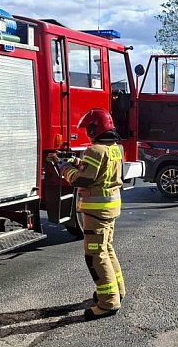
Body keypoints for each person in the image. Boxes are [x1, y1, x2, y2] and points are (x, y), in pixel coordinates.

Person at [48, 108, 126, 320]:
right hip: (110, 207)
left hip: (96, 210)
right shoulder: (115, 149)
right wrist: (74, 160)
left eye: (88, 130)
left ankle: (108, 302)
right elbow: (97, 170)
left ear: (94, 128)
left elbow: (82, 179)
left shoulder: (95, 150)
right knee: (107, 248)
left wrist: (63, 167)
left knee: (95, 255)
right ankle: (117, 290)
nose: (87, 134)